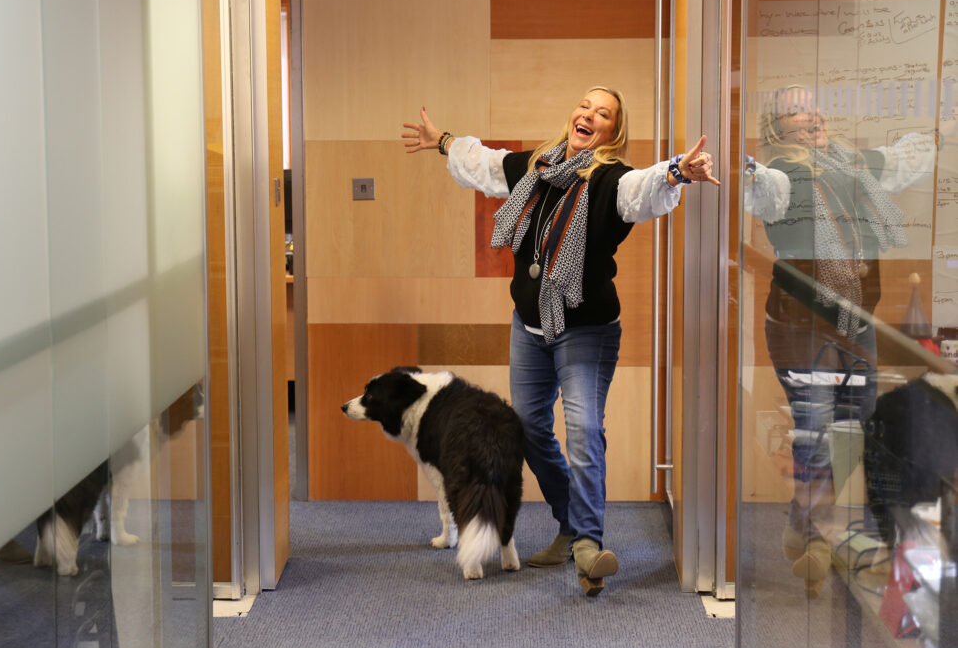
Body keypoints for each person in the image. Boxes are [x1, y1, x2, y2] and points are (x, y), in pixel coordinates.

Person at [402, 86, 719, 596]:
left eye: (604, 113)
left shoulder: (609, 180)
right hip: (528, 329)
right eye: (584, 106)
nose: (589, 115)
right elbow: (487, 163)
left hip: (586, 333)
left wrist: (677, 170)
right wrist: (441, 141)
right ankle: (570, 524)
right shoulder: (538, 168)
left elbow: (642, 188)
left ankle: (589, 547)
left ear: (613, 132)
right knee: (528, 430)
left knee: (584, 429)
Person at [750, 85, 941, 597]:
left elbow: (905, 159)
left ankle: (803, 522)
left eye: (814, 106)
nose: (811, 116)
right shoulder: (780, 175)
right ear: (776, 129)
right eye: (795, 111)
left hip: (857, 322)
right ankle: (815, 536)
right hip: (799, 324)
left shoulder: (853, 164)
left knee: (853, 424)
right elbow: (755, 188)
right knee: (814, 426)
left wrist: (937, 128)